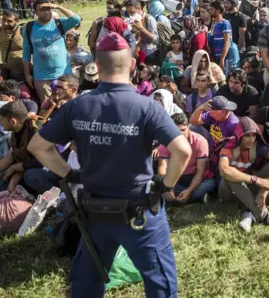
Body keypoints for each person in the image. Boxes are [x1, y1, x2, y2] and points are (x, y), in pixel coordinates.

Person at [26, 32, 193, 298]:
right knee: (160, 283)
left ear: (98, 67)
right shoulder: (147, 107)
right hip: (140, 211)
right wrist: (166, 184)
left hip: (95, 210)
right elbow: (182, 150)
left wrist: (69, 174)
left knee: (87, 280)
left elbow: (37, 146)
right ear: (132, 66)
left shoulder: (77, 106)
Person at [217, 117, 269, 232]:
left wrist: (264, 189)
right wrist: (255, 180)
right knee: (230, 174)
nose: (251, 140)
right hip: (228, 192)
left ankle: (249, 213)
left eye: (254, 135)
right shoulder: (228, 146)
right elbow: (224, 170)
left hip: (247, 187)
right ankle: (265, 216)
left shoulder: (257, 146)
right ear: (240, 135)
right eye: (247, 135)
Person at [22, 0, 81, 104]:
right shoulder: (29, 27)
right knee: (48, 107)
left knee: (67, 105)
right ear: (35, 12)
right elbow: (26, 52)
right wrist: (27, 74)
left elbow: (76, 19)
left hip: (63, 75)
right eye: (42, 9)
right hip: (41, 77)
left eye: (49, 9)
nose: (46, 12)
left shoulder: (59, 23)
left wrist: (58, 6)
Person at [157, 112, 216, 204]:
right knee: (156, 183)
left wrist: (189, 190)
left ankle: (181, 197)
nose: (181, 134)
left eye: (183, 130)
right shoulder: (166, 141)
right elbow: (162, 168)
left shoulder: (200, 141)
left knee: (211, 183)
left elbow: (200, 172)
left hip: (194, 177)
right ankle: (193, 197)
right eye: (176, 131)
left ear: (188, 127)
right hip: (174, 177)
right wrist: (167, 188)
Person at [0, 101, 43, 193]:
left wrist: (14, 168)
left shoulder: (35, 132)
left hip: (43, 171)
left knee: (29, 176)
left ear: (13, 121)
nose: (0, 123)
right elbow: (16, 156)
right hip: (23, 169)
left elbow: (39, 162)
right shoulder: (17, 130)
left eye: (2, 120)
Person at [125, 0, 160, 66]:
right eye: (128, 13)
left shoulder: (149, 19)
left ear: (138, 8)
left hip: (150, 55)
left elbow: (156, 40)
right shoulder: (131, 20)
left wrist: (141, 28)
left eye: (132, 12)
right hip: (137, 54)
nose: (130, 15)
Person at [0, 9, 24, 81]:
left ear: (17, 21)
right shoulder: (0, 31)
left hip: (22, 73)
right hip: (6, 72)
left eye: (9, 21)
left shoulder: (24, 31)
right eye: (4, 19)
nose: (5, 23)